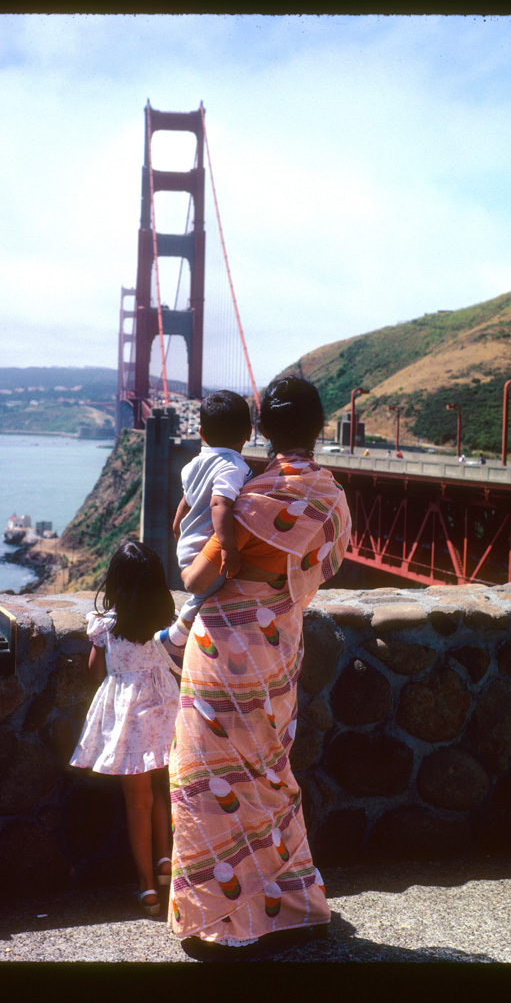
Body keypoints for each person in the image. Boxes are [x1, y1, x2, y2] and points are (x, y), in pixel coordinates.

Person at [167, 375, 352, 953]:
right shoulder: (331, 498)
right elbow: (326, 567)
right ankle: (290, 904)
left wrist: (217, 561)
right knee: (268, 773)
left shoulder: (246, 495)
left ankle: (221, 919)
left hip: (221, 649)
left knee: (207, 779)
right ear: (320, 427)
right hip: (276, 646)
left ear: (262, 431)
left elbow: (196, 578)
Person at [69, 541, 179, 917]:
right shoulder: (163, 621)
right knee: (160, 786)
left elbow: (96, 672)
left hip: (129, 721)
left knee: (138, 801)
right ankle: (166, 861)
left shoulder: (105, 625)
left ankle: (147, 887)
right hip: (164, 711)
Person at [155, 390, 252, 667]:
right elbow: (220, 503)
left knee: (206, 592)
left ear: (201, 432)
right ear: (248, 433)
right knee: (210, 593)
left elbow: (183, 506)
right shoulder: (233, 466)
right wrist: (229, 549)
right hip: (206, 554)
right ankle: (173, 638)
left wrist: (177, 533)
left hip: (186, 546)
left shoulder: (192, 465)